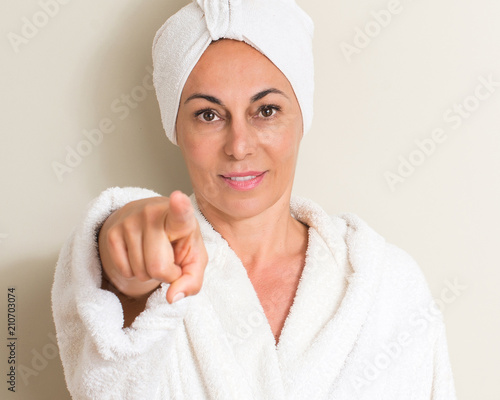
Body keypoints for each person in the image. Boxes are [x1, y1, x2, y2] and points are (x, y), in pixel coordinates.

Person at [51, 0, 457, 399]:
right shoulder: (151, 264)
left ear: (302, 117)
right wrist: (121, 257)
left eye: (266, 110)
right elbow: (117, 301)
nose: (239, 146)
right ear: (176, 127)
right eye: (209, 115)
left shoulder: (387, 284)